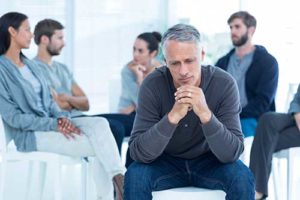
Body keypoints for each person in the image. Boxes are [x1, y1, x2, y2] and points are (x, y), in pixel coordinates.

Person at [0, 12, 124, 200]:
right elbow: (13, 118)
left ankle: (118, 184)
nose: (31, 34)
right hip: (30, 135)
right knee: (101, 145)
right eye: (27, 29)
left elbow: (50, 102)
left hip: (54, 123)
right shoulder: (2, 70)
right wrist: (55, 124)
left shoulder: (30, 66)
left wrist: (63, 118)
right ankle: (116, 191)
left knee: (100, 124)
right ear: (12, 32)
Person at [124, 24, 254, 199]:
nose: (183, 71)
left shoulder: (224, 83)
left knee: (242, 176)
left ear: (202, 55)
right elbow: (138, 152)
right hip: (165, 161)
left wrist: (205, 114)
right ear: (165, 62)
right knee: (135, 175)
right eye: (175, 63)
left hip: (210, 161)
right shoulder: (153, 84)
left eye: (189, 61)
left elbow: (232, 153)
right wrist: (173, 117)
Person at [32, 19, 125, 153]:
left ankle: (132, 171)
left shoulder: (63, 68)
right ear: (44, 39)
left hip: (80, 115)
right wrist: (73, 100)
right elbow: (58, 106)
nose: (63, 43)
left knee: (133, 124)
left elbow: (86, 104)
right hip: (67, 120)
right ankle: (110, 173)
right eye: (59, 38)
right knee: (115, 128)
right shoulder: (34, 69)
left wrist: (68, 99)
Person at [100, 31, 163, 167]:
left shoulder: (162, 70)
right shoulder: (128, 70)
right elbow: (142, 103)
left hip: (148, 117)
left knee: (132, 129)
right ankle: (116, 173)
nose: (135, 54)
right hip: (129, 116)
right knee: (110, 126)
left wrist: (140, 79)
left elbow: (148, 106)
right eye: (134, 49)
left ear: (152, 53)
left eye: (140, 51)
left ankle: (125, 175)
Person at [216, 11, 279, 138]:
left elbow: (263, 101)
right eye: (231, 27)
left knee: (225, 136)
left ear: (251, 30)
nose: (233, 31)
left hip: (253, 119)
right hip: (224, 119)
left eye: (237, 27)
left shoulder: (267, 62)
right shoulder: (222, 62)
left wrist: (234, 115)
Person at [249, 84, 300, 199]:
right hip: (295, 118)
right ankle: (257, 189)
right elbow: (297, 100)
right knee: (267, 119)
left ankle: (256, 190)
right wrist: (297, 114)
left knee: (267, 140)